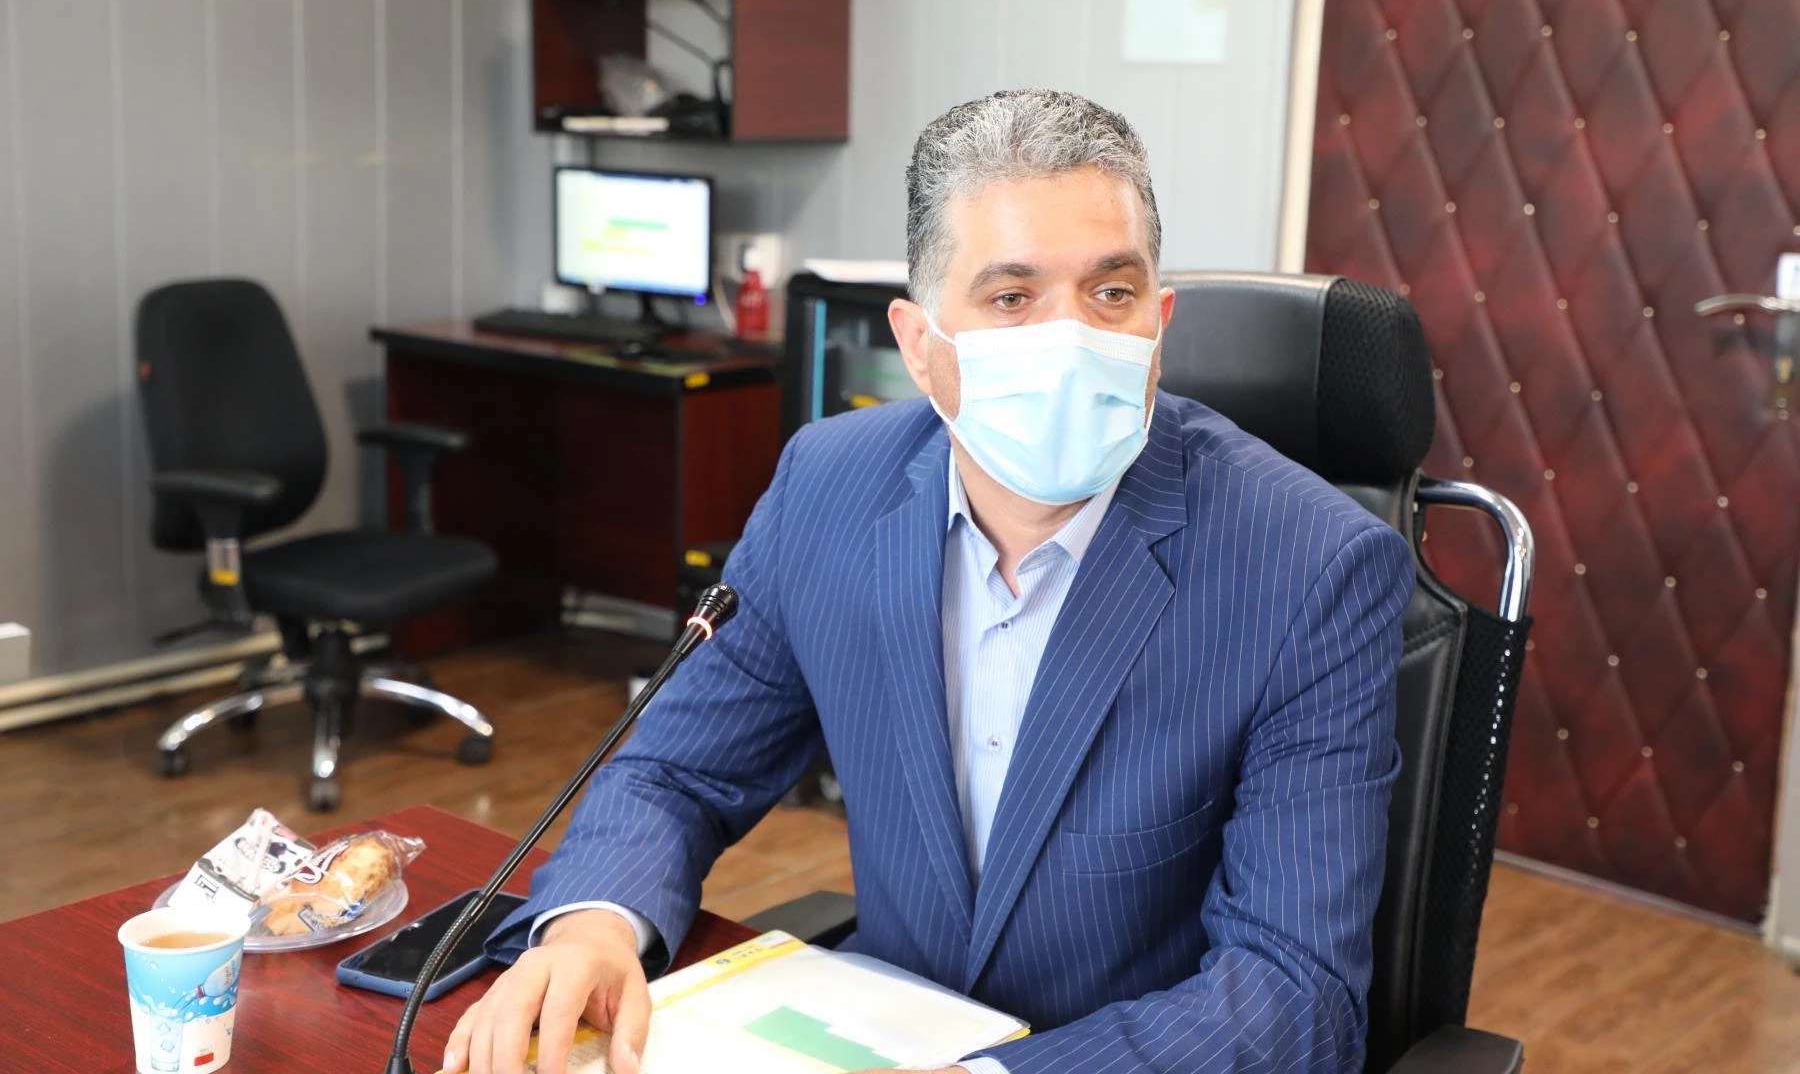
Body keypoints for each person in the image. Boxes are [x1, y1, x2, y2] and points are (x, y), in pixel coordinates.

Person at [444, 89, 1414, 1074]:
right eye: (1011, 298)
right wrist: (594, 927)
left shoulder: (1311, 566)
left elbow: (1295, 990)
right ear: (918, 346)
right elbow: (677, 771)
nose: (1072, 337)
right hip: (879, 1039)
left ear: (1158, 323)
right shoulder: (828, 486)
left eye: (1111, 293)